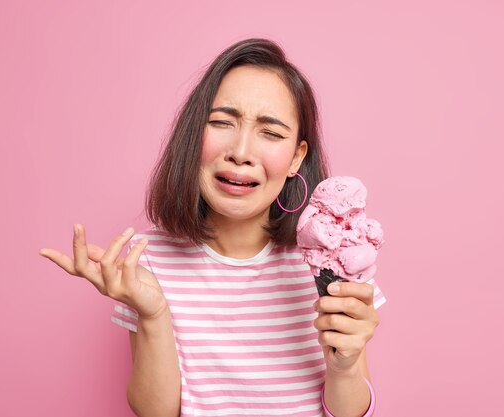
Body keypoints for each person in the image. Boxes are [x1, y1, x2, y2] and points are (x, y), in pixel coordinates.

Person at [39, 38, 386, 417]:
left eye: (270, 133)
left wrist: (344, 367)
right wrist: (153, 314)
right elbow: (156, 413)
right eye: (221, 122)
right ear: (193, 136)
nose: (240, 151)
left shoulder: (331, 263)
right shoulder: (146, 259)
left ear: (296, 158)